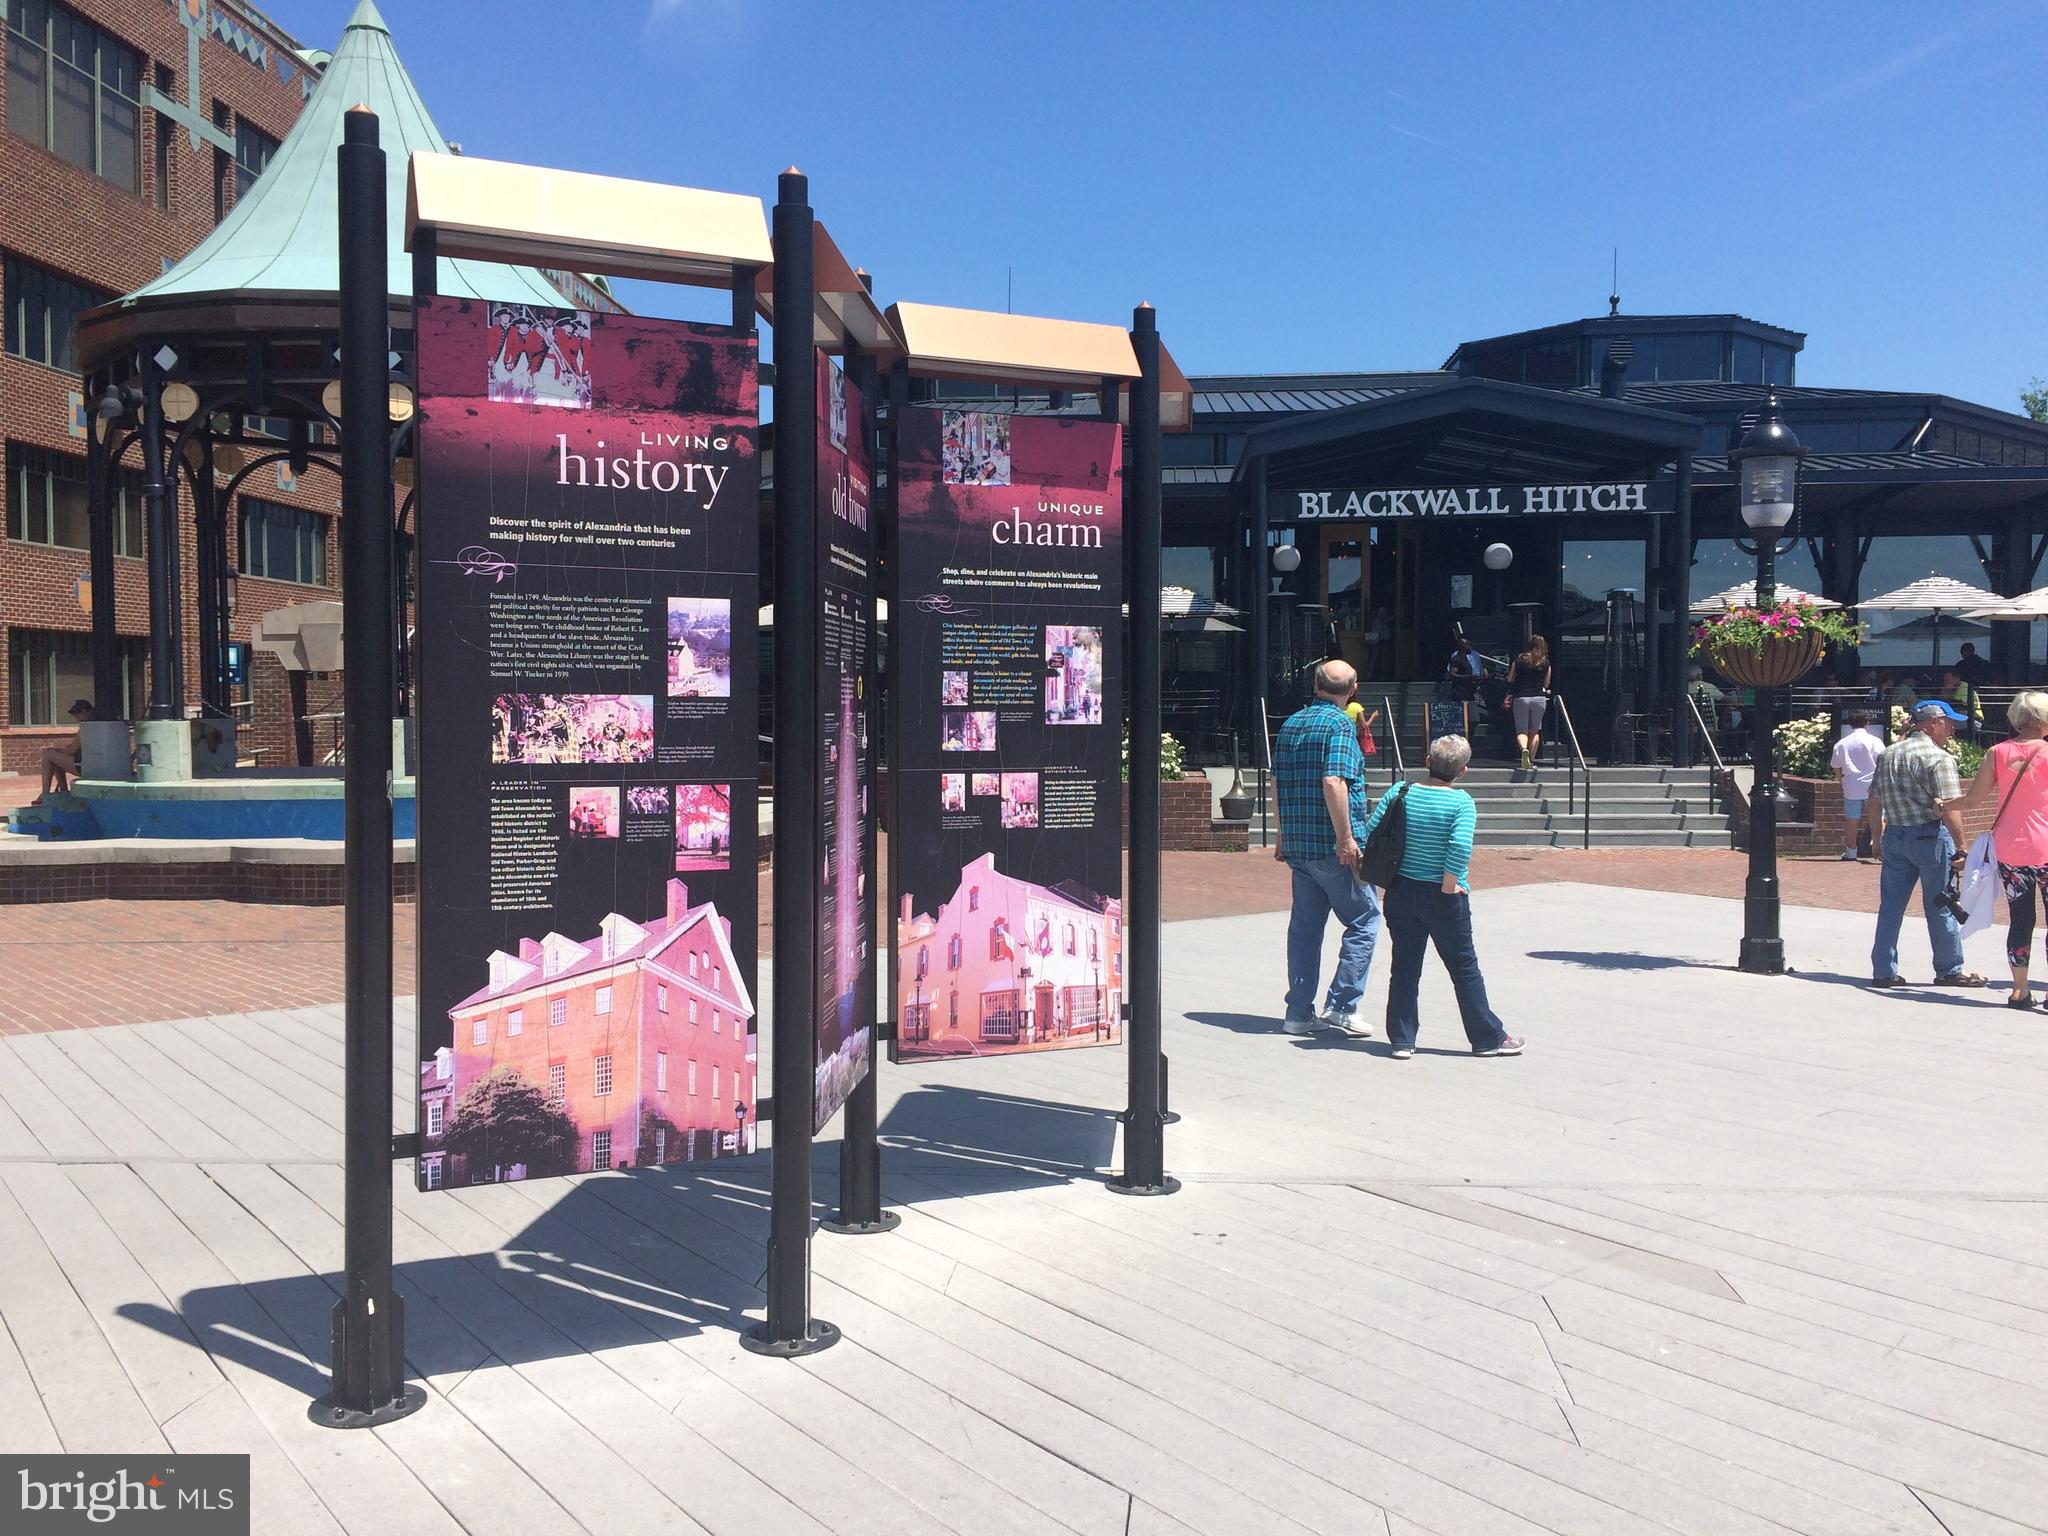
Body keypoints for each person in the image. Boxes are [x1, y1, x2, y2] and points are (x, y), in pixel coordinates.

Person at [1361, 734, 1522, 1060]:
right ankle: (1487, 1037)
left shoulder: (1400, 791)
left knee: (1405, 967)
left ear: (1429, 761)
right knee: (1464, 968)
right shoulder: (1461, 802)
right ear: (1463, 771)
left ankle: (1402, 1039)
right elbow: (1460, 846)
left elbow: (1370, 831)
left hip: (1401, 890)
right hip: (1443, 896)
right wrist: (1449, 884)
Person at [1271, 659, 1378, 1038]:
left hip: (1299, 846)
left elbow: (1277, 782)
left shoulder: (1290, 724)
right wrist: (1346, 837)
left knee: (1304, 930)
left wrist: (1282, 834)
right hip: (1331, 849)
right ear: (1353, 690)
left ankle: (1298, 1012)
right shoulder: (1339, 725)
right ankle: (1342, 1005)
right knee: (1365, 919)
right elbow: (1334, 780)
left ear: (1315, 683)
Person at [1941, 691, 2048, 1007]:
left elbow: (1973, 800)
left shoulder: (1996, 753)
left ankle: (2020, 989)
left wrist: (1943, 806)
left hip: (2011, 848)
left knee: (2021, 918)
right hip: (2046, 845)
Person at [1868, 699, 1983, 990]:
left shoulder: (1888, 754)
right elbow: (1949, 807)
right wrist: (1962, 846)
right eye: (1949, 722)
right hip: (1929, 836)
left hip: (1894, 834)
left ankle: (1883, 969)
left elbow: (1874, 800)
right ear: (1933, 723)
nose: (1953, 728)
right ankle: (1949, 968)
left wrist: (1876, 836)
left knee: (1890, 906)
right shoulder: (1939, 757)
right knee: (1940, 905)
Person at [1828, 710, 1886, 861]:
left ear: (1850, 723)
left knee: (1852, 820)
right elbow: (1883, 761)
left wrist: (1841, 780)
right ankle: (1878, 845)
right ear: (1867, 722)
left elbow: (1836, 766)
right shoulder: (1875, 741)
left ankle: (1851, 852)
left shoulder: (1842, 743)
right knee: (1879, 817)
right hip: (1873, 784)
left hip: (1852, 784)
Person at [35, 699, 93, 804]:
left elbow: (71, 751)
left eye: (79, 712)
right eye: (74, 714)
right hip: (90, 763)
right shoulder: (97, 725)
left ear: (87, 711)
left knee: (48, 755)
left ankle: (45, 794)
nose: (77, 716)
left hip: (83, 766)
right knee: (56, 758)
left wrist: (53, 750)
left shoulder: (86, 727)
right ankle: (63, 790)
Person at [1507, 636, 1551, 769]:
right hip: (1538, 698)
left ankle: (1524, 750)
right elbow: (1546, 684)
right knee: (1535, 731)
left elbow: (1510, 679)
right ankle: (1531, 760)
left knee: (1522, 731)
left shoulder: (1519, 660)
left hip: (1521, 698)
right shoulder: (1545, 662)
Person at [1440, 637, 1483, 703]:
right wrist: (1468, 677)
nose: (1471, 647)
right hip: (1460, 692)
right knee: (1464, 709)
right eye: (1468, 645)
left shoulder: (1466, 659)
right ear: (1463, 647)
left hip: (1470, 690)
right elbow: (1452, 674)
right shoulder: (1456, 659)